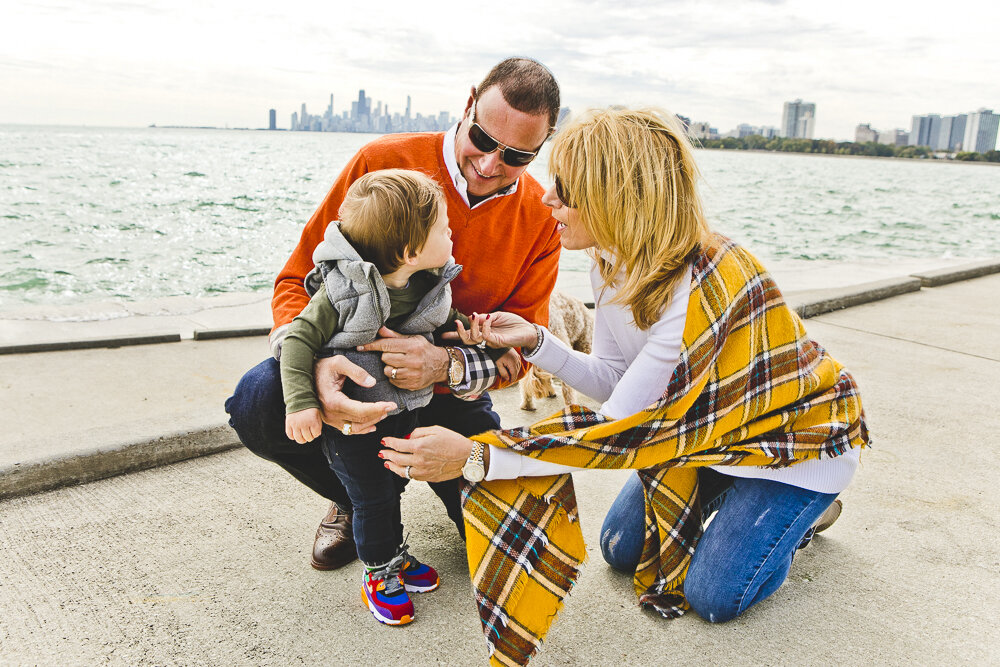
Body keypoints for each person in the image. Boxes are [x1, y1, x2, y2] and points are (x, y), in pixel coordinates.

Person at [380, 107, 870, 665]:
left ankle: (805, 512)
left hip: (792, 446)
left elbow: (613, 430)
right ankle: (737, 499)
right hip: (707, 436)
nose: (546, 201)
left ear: (615, 199)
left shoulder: (700, 293)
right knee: (618, 550)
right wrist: (538, 342)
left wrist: (476, 457)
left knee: (713, 597)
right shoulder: (612, 261)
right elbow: (614, 380)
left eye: (564, 193)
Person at [225, 57, 563, 573]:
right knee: (256, 400)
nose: (491, 164)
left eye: (517, 154)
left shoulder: (542, 216)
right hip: (356, 382)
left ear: (543, 144)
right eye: (483, 138)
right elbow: (298, 282)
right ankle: (360, 499)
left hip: (451, 400)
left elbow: (518, 357)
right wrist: (317, 374)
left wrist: (444, 364)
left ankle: (400, 489)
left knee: (520, 544)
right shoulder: (381, 162)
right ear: (469, 102)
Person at [281, 169, 514, 625]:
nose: (453, 233)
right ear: (410, 252)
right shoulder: (342, 293)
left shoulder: (427, 286)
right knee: (371, 499)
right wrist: (302, 402)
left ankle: (395, 554)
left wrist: (489, 341)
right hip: (355, 421)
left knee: (389, 491)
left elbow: (450, 320)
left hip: (408, 413)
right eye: (444, 229)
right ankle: (378, 571)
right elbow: (297, 340)